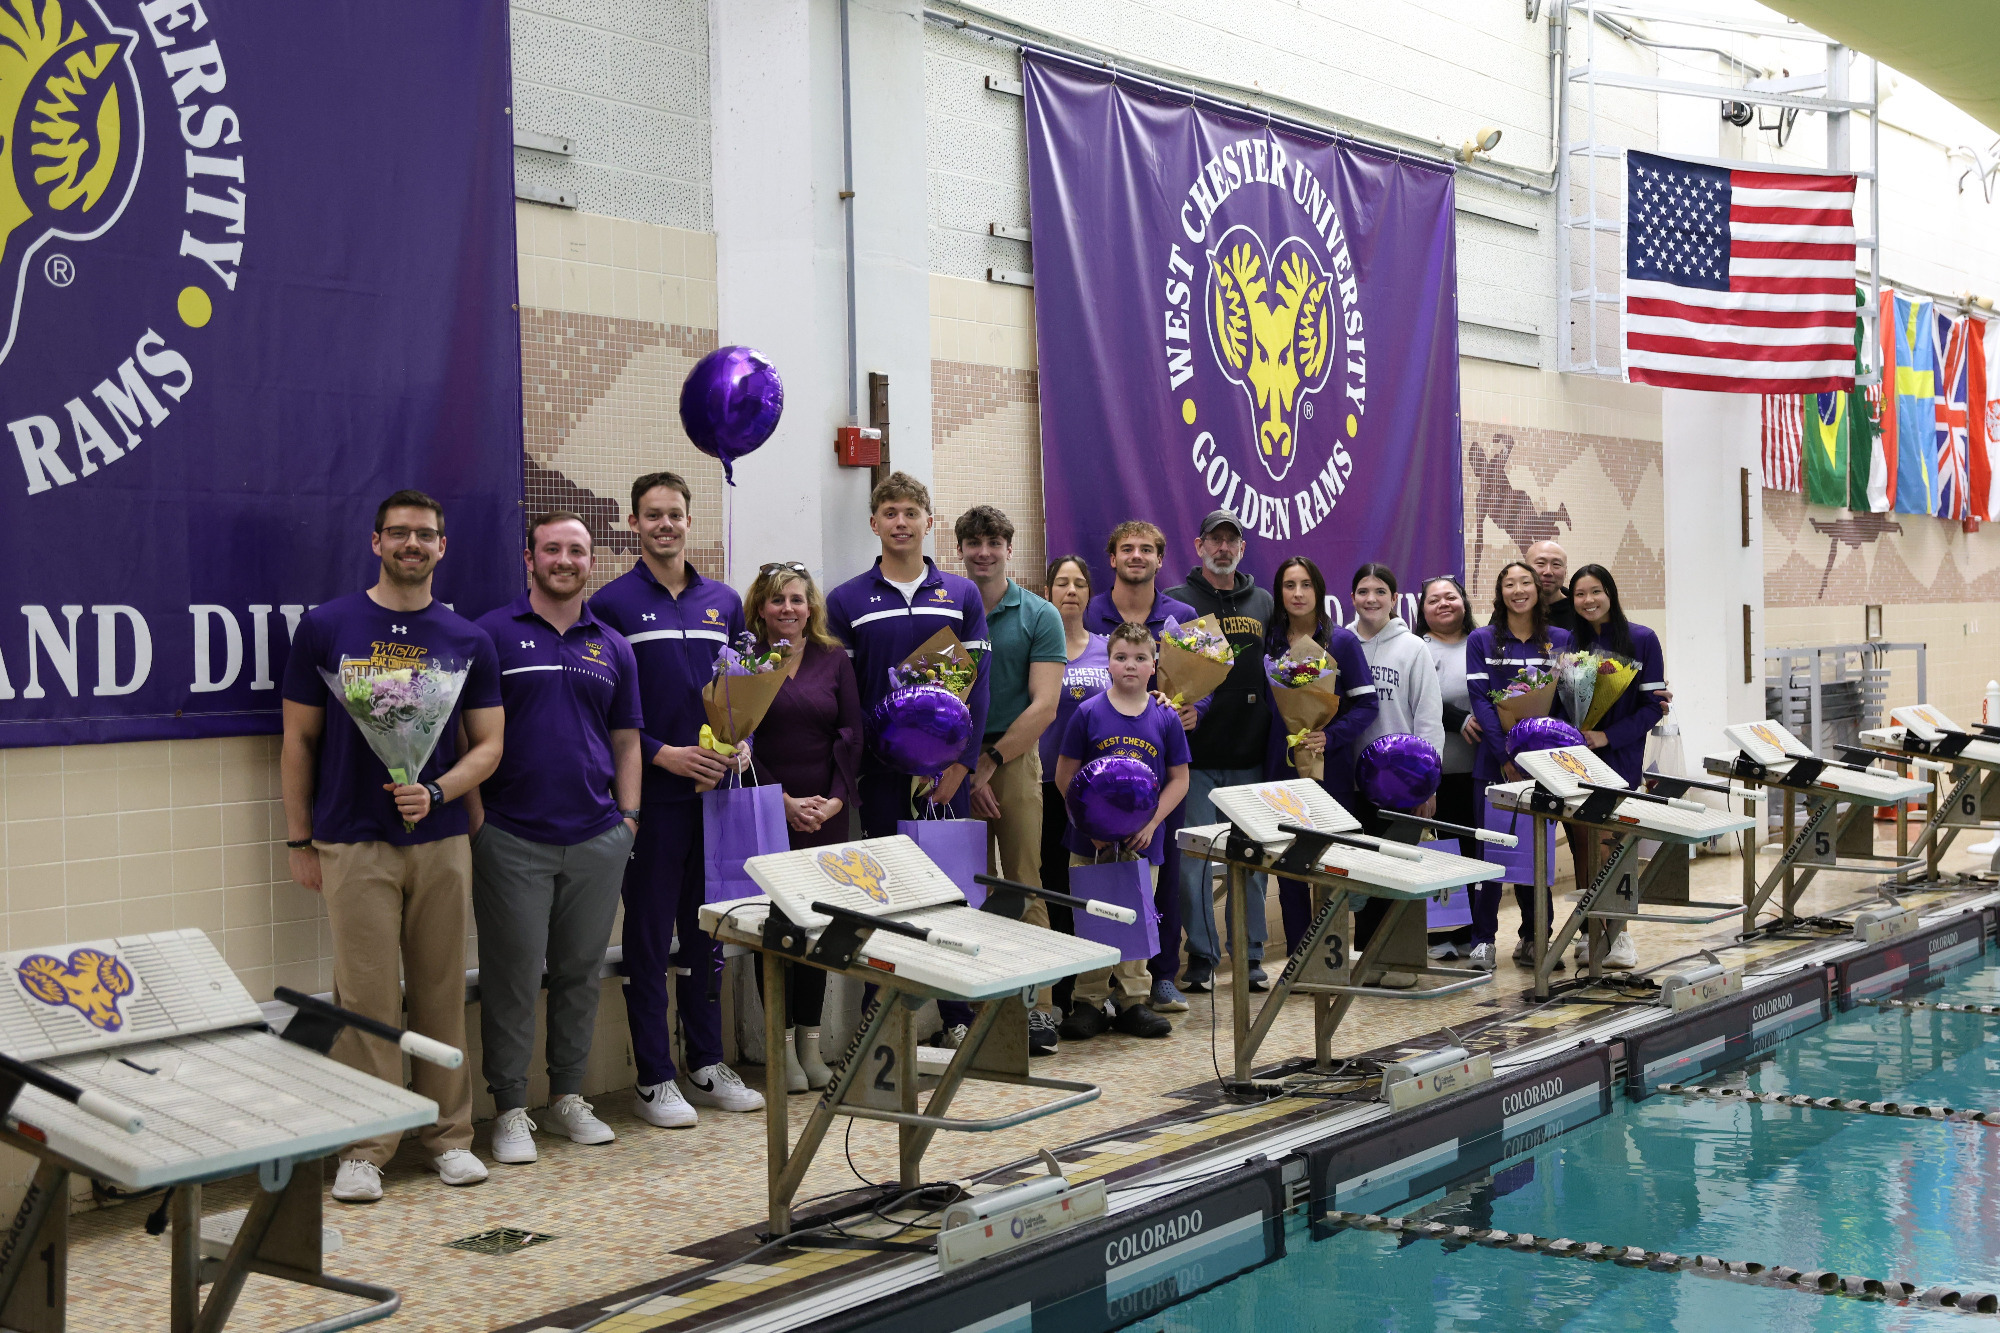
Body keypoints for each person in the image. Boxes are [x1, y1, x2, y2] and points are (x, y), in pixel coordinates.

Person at [281, 489, 504, 1203]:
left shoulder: (467, 638)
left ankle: (450, 1136)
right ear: (376, 542)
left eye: (426, 534)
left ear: (443, 546)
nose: (413, 544)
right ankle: (367, 1145)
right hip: (350, 837)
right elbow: (298, 742)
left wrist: (438, 790)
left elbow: (490, 744)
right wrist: (299, 836)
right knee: (366, 996)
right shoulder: (326, 627)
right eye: (400, 533)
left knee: (441, 987)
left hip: (440, 839)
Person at [591, 471, 765, 1129]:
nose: (666, 524)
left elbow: (739, 688)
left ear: (690, 521)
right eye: (653, 515)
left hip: (714, 798)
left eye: (675, 514)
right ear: (635, 524)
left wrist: (739, 744)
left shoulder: (723, 599)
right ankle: (655, 1076)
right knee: (646, 937)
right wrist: (663, 753)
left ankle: (707, 1062)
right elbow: (606, 707)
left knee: (709, 935)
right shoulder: (610, 605)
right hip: (651, 795)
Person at [467, 511, 639, 1166]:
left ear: (590, 560)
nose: (565, 559)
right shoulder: (492, 635)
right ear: (529, 557)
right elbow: (468, 735)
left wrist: (628, 818)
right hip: (511, 837)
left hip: (598, 837)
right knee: (511, 977)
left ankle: (568, 1096)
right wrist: (480, 821)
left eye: (577, 550)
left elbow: (627, 739)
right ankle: (510, 1108)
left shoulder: (612, 645)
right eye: (552, 549)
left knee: (578, 972)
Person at [825, 472, 991, 1047]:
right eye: (889, 512)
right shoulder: (846, 600)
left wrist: (961, 765)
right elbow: (843, 694)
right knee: (887, 896)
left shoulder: (962, 595)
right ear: (874, 523)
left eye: (911, 512)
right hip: (881, 773)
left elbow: (982, 683)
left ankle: (957, 1017)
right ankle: (883, 1016)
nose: (900, 522)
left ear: (928, 521)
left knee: (949, 891)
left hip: (947, 777)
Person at [744, 560, 863, 1088]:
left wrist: (836, 802)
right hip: (771, 812)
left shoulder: (833, 658)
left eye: (796, 599)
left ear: (810, 606)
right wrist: (781, 801)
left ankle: (810, 1044)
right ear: (761, 610)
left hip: (827, 816)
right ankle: (779, 1049)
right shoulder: (746, 661)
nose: (787, 609)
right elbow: (741, 741)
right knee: (776, 932)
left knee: (819, 931)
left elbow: (852, 734)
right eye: (776, 600)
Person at [956, 507, 1064, 1048]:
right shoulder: (947, 606)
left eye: (993, 541)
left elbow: (1045, 706)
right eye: (973, 542)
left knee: (1025, 883)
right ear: (960, 550)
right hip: (951, 766)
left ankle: (1037, 1008)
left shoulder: (1040, 614)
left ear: (1008, 548)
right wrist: (961, 767)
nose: (983, 551)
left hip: (1012, 762)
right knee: (966, 890)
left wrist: (989, 764)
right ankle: (977, 1009)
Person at [1053, 622, 1191, 1039]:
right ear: (1108, 663)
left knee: (1137, 919)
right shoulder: (1088, 712)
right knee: (1092, 918)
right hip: (1089, 841)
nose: (1130, 665)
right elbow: (1064, 775)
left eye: (1140, 658)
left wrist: (1151, 823)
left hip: (1143, 840)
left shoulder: (1165, 717)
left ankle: (1134, 999)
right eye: (1121, 657)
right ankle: (1089, 1001)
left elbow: (1179, 779)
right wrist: (1089, 823)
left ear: (1154, 665)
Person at [1083, 519, 1198, 1014]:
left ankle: (1162, 977)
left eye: (1146, 549)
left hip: (1160, 766)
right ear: (1112, 558)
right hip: (1098, 772)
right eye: (1126, 549)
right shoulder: (1089, 612)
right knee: (1094, 876)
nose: (1136, 556)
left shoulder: (1184, 615)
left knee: (1163, 875)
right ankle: (1094, 990)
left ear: (1159, 559)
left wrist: (1195, 710)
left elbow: (1198, 685)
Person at [1167, 512, 1276, 992]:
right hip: (1196, 757)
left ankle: (1251, 957)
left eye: (1232, 540)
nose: (1223, 547)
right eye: (1215, 539)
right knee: (1191, 866)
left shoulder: (1264, 602)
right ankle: (1202, 959)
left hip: (1250, 755)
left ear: (1242, 548)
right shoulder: (1178, 602)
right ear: (1199, 545)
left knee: (1250, 863)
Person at [1261, 557, 1378, 963]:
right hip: (1282, 769)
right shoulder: (1271, 640)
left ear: (1318, 590)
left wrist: (1330, 736)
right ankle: (1298, 958)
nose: (1297, 593)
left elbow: (1367, 706)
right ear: (1279, 592)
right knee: (1291, 869)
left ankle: (1330, 959)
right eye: (1289, 585)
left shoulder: (1342, 641)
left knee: (1329, 864)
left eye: (1305, 584)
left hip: (1332, 772)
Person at [1465, 561, 1572, 969]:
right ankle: (1482, 940)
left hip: (1542, 768)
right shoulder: (1482, 640)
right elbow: (1482, 703)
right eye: (1509, 583)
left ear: (1538, 589)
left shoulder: (1561, 640)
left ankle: (1535, 937)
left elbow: (1564, 704)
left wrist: (1538, 757)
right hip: (1494, 765)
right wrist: (1507, 757)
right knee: (1489, 856)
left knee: (1535, 856)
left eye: (1525, 582)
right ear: (1500, 592)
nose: (1518, 590)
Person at [1562, 563, 1667, 972]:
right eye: (1580, 594)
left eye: (1595, 592)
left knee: (1615, 847)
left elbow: (1653, 707)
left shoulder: (1642, 639)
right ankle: (1592, 929)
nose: (1588, 601)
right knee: (1584, 846)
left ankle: (1620, 932)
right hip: (1578, 758)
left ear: (1610, 593)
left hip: (1618, 757)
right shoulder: (1573, 642)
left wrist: (1609, 737)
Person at [1346, 563, 1444, 978]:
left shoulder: (1413, 649)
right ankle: (1366, 956)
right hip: (1350, 782)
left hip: (1402, 783)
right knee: (1362, 871)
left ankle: (1397, 956)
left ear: (1395, 599)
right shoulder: (1340, 643)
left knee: (1397, 869)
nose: (1371, 598)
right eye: (1364, 590)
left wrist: (1427, 781)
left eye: (1380, 591)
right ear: (1351, 597)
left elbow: (1428, 717)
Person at [1040, 555, 1111, 1049]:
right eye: (1061, 583)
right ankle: (1057, 993)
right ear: (1047, 591)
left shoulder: (1110, 650)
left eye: (1079, 584)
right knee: (1051, 887)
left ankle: (1098, 994)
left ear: (1090, 594)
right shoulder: (1038, 647)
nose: (1070, 590)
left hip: (1098, 792)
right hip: (1045, 784)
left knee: (1094, 889)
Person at [1416, 576, 1487, 968]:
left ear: (1464, 601)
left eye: (1451, 596)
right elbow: (1418, 700)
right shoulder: (1417, 649)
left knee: (1475, 852)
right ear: (1421, 608)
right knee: (1440, 851)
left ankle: (1475, 931)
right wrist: (1458, 719)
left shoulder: (1482, 643)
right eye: (1433, 599)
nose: (1443, 604)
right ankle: (1443, 932)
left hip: (1479, 770)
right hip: (1437, 772)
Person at [1526, 539, 1575, 633]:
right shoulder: (1514, 608)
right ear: (1525, 569)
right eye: (1541, 563)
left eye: (1556, 564)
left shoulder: (1578, 609)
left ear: (1565, 571)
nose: (1548, 571)